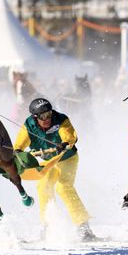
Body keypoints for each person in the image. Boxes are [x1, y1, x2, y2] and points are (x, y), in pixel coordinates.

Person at [14, 98, 96, 241]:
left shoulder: (60, 119)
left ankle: (84, 227)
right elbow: (19, 145)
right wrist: (18, 152)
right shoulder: (28, 125)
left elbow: (70, 136)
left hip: (67, 158)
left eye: (48, 114)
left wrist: (64, 143)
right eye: (42, 116)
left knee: (63, 187)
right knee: (43, 186)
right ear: (35, 117)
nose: (47, 119)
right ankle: (47, 226)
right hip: (50, 162)